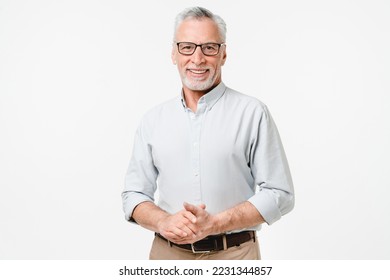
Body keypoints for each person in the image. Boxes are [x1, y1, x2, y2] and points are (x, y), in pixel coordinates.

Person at [122, 6, 294, 260]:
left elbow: (280, 194)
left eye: (209, 48)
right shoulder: (153, 120)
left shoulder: (253, 113)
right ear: (173, 53)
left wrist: (214, 223)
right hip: (167, 256)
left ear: (223, 54)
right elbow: (134, 194)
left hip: (235, 256)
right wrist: (163, 222)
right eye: (187, 47)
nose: (198, 58)